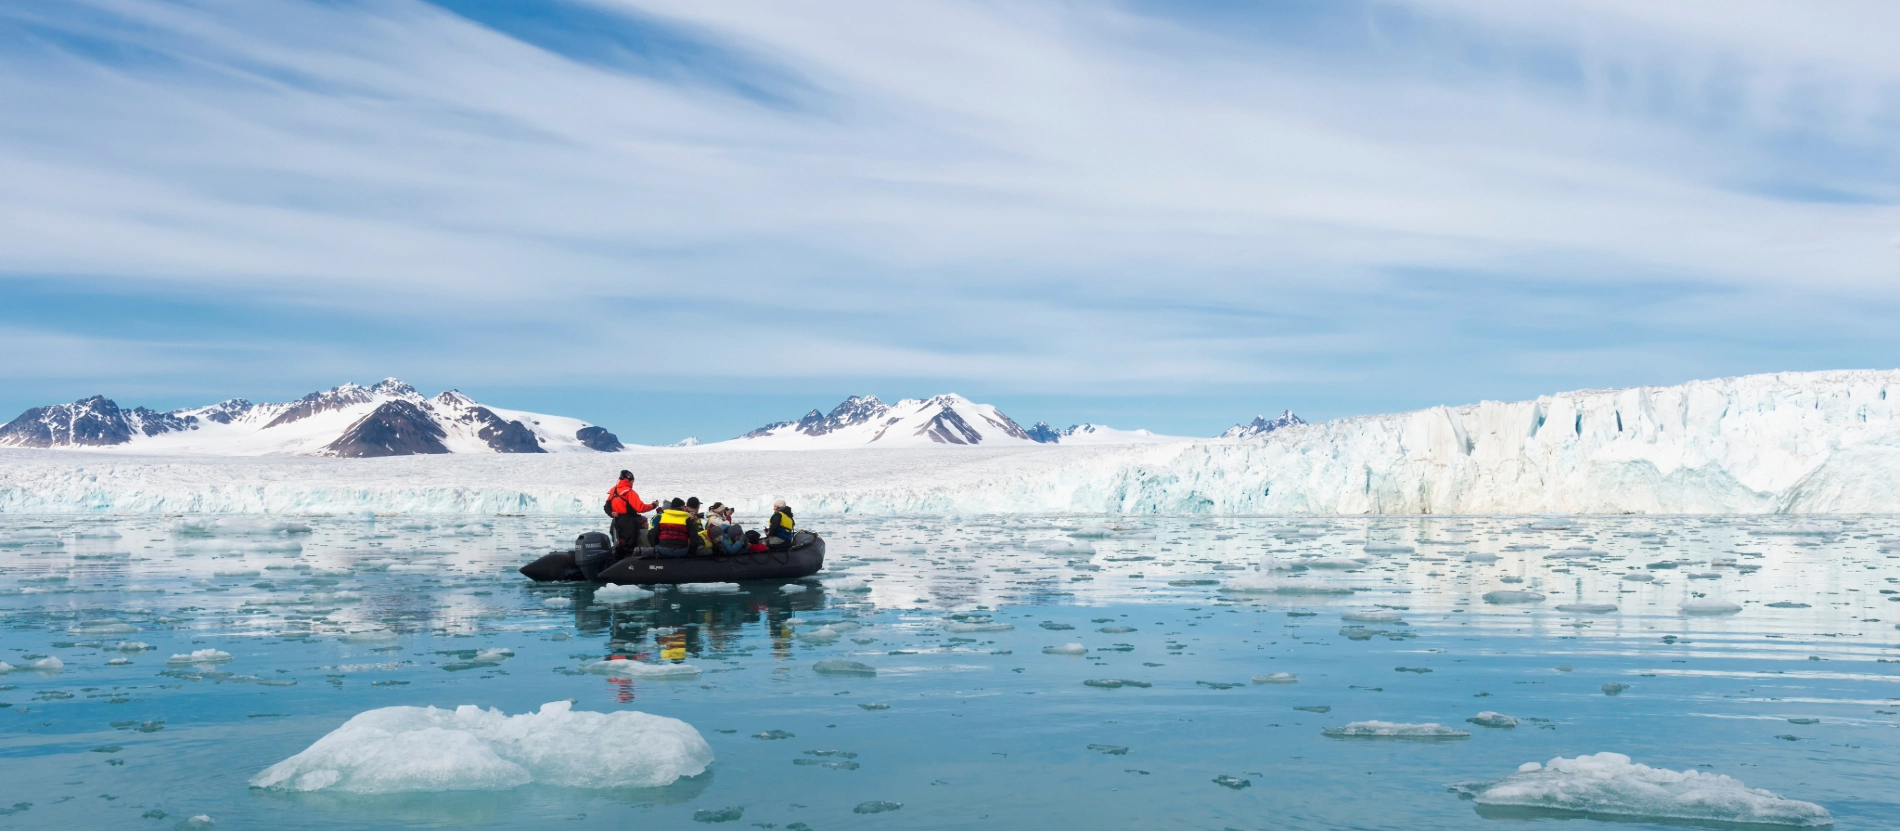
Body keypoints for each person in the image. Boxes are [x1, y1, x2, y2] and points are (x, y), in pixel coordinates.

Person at [604, 471, 654, 553]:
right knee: (630, 546)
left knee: (619, 544)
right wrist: (653, 506)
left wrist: (611, 513)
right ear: (630, 480)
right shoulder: (629, 492)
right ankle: (631, 563)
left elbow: (606, 506)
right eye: (632, 481)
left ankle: (618, 561)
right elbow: (640, 508)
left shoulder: (613, 491)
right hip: (629, 523)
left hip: (616, 522)